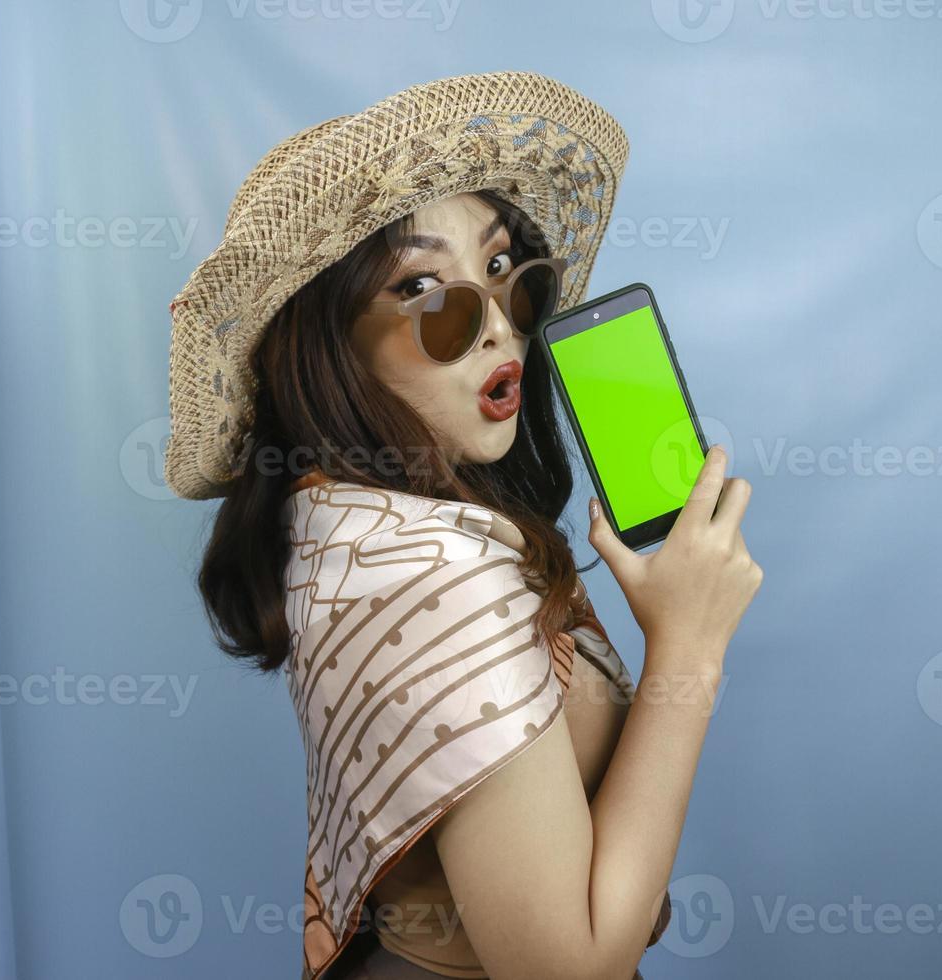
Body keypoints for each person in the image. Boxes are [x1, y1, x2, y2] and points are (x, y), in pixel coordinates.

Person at [164, 71, 763, 980]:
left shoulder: (344, 528)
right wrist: (689, 648)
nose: (494, 326)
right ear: (330, 349)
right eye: (425, 294)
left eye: (500, 273)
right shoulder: (432, 570)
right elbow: (570, 968)